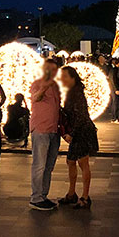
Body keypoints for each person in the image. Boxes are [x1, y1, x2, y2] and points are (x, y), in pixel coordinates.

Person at [58, 65, 98, 209]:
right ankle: (71, 193)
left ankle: (85, 197)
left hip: (83, 132)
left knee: (83, 163)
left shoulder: (77, 94)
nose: (62, 80)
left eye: (65, 77)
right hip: (77, 131)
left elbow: (81, 117)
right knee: (70, 161)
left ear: (73, 78)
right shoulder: (70, 93)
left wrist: (71, 134)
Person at [29, 57, 62, 211]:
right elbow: (35, 97)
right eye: (49, 68)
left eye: (54, 69)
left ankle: (43, 195)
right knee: (39, 165)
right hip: (41, 129)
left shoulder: (56, 86)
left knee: (49, 166)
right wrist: (45, 86)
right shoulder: (37, 83)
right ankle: (35, 198)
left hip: (54, 130)